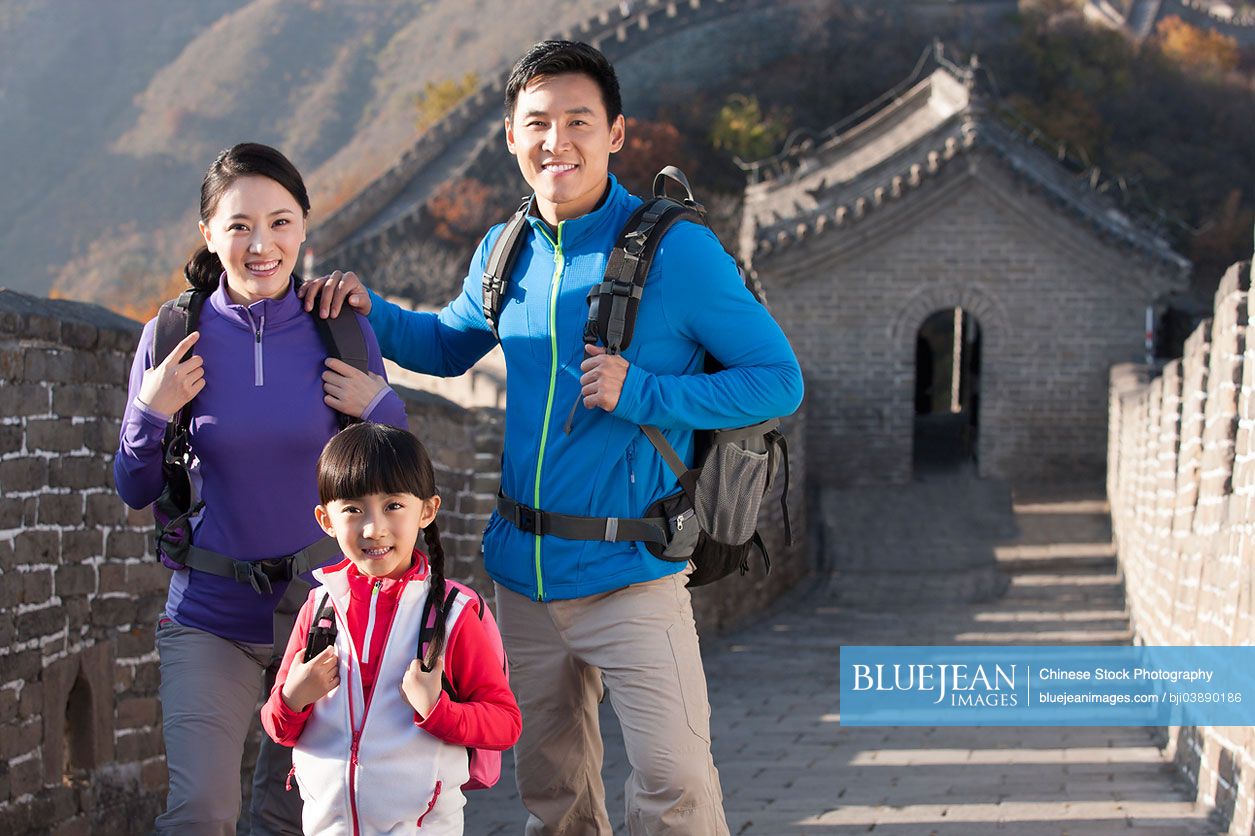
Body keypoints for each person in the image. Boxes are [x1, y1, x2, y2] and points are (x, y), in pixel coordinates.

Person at [299, 41, 804, 835]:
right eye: (537, 123)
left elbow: (777, 379)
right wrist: (368, 311)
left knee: (674, 782)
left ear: (615, 134)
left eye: (577, 121)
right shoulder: (506, 250)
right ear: (510, 136)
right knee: (555, 797)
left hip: (632, 571)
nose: (555, 141)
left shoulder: (678, 252)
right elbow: (447, 345)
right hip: (523, 579)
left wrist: (642, 391)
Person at [114, 142, 408, 836]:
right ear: (209, 235)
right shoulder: (172, 334)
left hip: (323, 620)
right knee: (201, 813)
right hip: (210, 615)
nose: (260, 244)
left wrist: (384, 413)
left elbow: (393, 482)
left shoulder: (338, 330)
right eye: (239, 225)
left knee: (292, 816)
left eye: (280, 222)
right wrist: (149, 412)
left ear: (303, 227)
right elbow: (133, 486)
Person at [260, 422, 521, 835]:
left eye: (393, 505)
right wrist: (294, 696)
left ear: (428, 510)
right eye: (353, 509)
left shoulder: (453, 613)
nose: (373, 528)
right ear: (325, 519)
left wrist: (437, 710)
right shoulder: (318, 607)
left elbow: (505, 723)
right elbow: (277, 725)